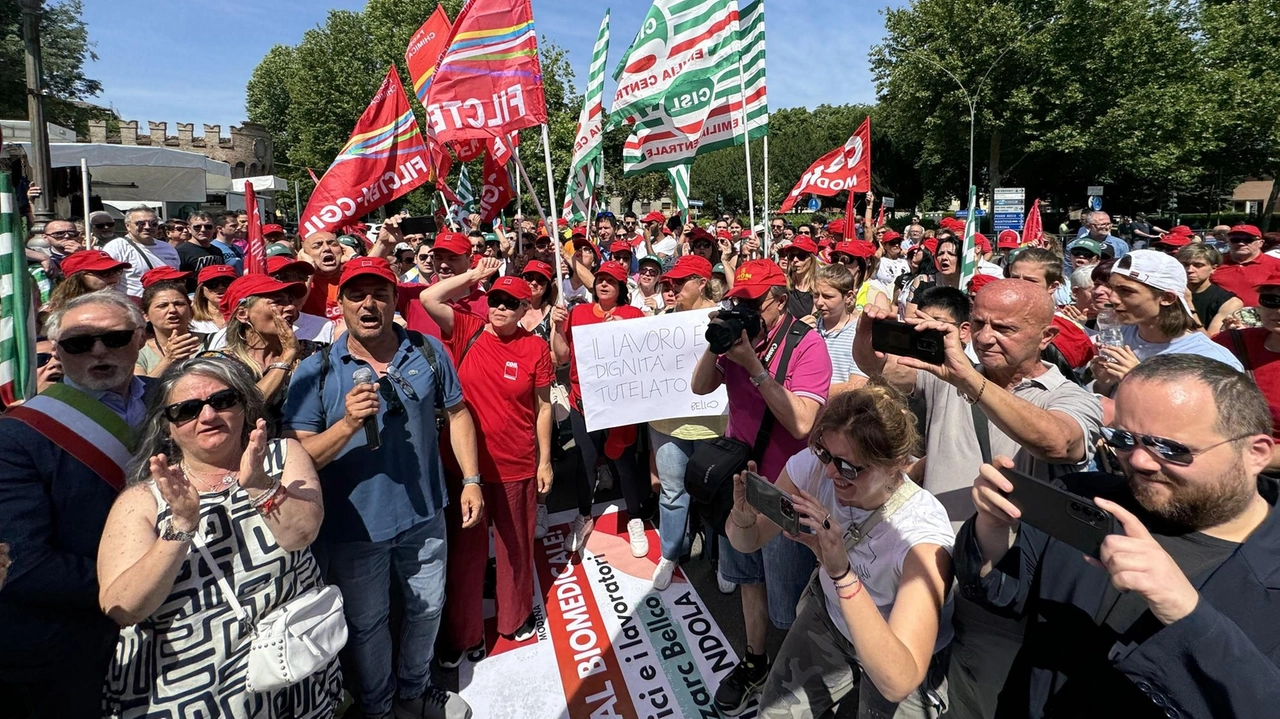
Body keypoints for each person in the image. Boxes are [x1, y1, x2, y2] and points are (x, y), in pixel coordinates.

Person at [959, 353, 1280, 718]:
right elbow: (999, 593)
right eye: (1124, 439)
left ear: (1255, 453)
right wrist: (993, 525)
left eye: (1171, 448)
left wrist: (1187, 614)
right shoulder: (1083, 498)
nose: (1140, 461)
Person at [853, 279, 1104, 719]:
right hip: (928, 567)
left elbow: (1058, 442)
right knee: (904, 688)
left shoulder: (1070, 396)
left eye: (1005, 329)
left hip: (998, 584)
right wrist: (867, 338)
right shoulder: (948, 372)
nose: (987, 337)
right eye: (980, 323)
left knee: (978, 700)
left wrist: (968, 378)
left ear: (1046, 337)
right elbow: (881, 369)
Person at [284, 256, 480, 719]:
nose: (368, 304)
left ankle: (415, 690)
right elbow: (298, 456)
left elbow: (457, 415)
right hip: (354, 530)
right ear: (342, 304)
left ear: (396, 300)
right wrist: (349, 424)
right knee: (368, 624)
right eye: (356, 295)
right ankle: (378, 706)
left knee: (428, 609)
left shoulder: (429, 351)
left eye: (379, 294)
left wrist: (471, 480)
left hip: (427, 514)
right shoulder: (316, 371)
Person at [97, 356, 339, 717]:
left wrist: (260, 486)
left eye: (222, 401)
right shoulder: (143, 500)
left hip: (291, 666)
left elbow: (300, 534)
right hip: (191, 687)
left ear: (243, 406)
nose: (208, 416)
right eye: (188, 410)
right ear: (168, 427)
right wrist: (180, 525)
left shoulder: (281, 456)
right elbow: (124, 607)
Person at [732, 385, 954, 718]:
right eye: (825, 454)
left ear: (895, 464)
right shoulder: (816, 466)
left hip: (892, 646)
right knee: (773, 713)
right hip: (831, 617)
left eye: (850, 467)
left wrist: (841, 572)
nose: (832, 472)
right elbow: (748, 542)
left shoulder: (922, 534)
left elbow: (898, 680)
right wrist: (744, 518)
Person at [691, 259, 833, 715]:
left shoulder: (807, 344)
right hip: (741, 480)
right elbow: (698, 388)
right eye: (738, 300)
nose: (744, 310)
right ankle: (755, 662)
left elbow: (802, 421)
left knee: (788, 604)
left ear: (778, 299)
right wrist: (716, 344)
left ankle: (797, 682)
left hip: (787, 488)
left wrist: (753, 364)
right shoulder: (736, 338)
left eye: (752, 303)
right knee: (748, 577)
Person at [0, 291, 148, 715]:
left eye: (115, 338)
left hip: (188, 624)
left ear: (139, 338)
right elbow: (23, 563)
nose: (98, 351)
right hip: (78, 640)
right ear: (59, 351)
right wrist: (151, 581)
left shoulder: (178, 402)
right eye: (79, 343)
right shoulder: (18, 436)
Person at [421, 266, 554, 663]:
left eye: (510, 303)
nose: (499, 308)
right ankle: (463, 636)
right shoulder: (468, 329)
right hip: (466, 470)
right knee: (466, 555)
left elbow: (543, 407)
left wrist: (545, 460)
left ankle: (513, 620)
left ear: (523, 309)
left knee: (514, 549)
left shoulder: (536, 348)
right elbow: (430, 299)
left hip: (517, 464)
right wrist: (472, 275)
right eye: (495, 299)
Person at [551, 261, 651, 554]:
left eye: (612, 281)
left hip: (620, 404)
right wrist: (558, 329)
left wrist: (630, 330)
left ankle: (634, 517)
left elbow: (646, 352)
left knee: (623, 461)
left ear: (621, 288)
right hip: (583, 401)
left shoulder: (633, 314)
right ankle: (583, 516)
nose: (604, 284)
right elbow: (562, 357)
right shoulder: (577, 313)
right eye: (601, 279)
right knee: (585, 461)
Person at [648, 255, 726, 589]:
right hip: (667, 426)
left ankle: (719, 557)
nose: (673, 288)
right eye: (670, 283)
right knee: (672, 492)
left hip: (713, 425)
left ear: (703, 282)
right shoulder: (660, 320)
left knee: (713, 494)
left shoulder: (724, 319)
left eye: (681, 282)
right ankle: (671, 552)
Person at [1092, 250, 1243, 398]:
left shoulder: (1213, 361)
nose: (1112, 298)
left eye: (1126, 291)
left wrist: (1138, 381)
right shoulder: (1120, 336)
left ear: (1167, 297)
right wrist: (1104, 383)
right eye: (1112, 288)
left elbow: (1210, 421)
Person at [814, 263, 869, 395]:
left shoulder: (858, 335)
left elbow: (857, 386)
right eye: (816, 295)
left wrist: (810, 393)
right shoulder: (811, 329)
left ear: (848, 297)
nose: (819, 302)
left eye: (828, 296)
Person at [103, 206, 182, 297]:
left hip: (163, 302)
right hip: (132, 305)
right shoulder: (116, 247)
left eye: (153, 224)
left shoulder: (168, 248)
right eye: (141, 223)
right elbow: (106, 281)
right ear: (128, 226)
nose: (148, 227)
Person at [136, 278, 204, 377]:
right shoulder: (138, 355)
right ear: (145, 315)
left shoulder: (212, 343)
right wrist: (168, 360)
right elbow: (140, 390)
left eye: (179, 304)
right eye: (162, 305)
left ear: (190, 309)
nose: (172, 310)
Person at [1210, 224, 1280, 308]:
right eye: (1235, 240)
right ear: (1229, 242)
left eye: (1248, 240)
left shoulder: (1276, 264)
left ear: (1261, 243)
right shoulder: (1215, 262)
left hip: (1260, 317)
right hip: (1219, 317)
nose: (1241, 243)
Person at [1179, 244, 1241, 334]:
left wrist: (1189, 305)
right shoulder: (1169, 293)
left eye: (1198, 265)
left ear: (1213, 268)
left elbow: (1211, 342)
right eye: (1185, 265)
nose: (1189, 270)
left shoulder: (1229, 302)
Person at [46, 248, 129, 313]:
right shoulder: (53, 313)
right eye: (105, 272)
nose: (115, 278)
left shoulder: (128, 306)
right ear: (78, 277)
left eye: (117, 271)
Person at [904, 234, 962, 317]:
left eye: (951, 254)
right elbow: (910, 316)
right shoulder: (923, 281)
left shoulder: (968, 284)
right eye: (941, 253)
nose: (944, 257)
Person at [189, 264, 237, 335]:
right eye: (213, 283)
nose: (220, 287)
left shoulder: (245, 315)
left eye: (227, 283)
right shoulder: (190, 317)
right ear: (201, 290)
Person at [176, 210, 227, 275]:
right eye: (197, 227)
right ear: (189, 229)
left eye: (208, 226)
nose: (203, 230)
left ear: (214, 228)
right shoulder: (180, 251)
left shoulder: (217, 251)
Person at [518, 259, 558, 341]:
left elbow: (557, 353)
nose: (534, 283)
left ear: (547, 286)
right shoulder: (510, 308)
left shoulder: (554, 313)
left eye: (540, 280)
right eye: (529, 277)